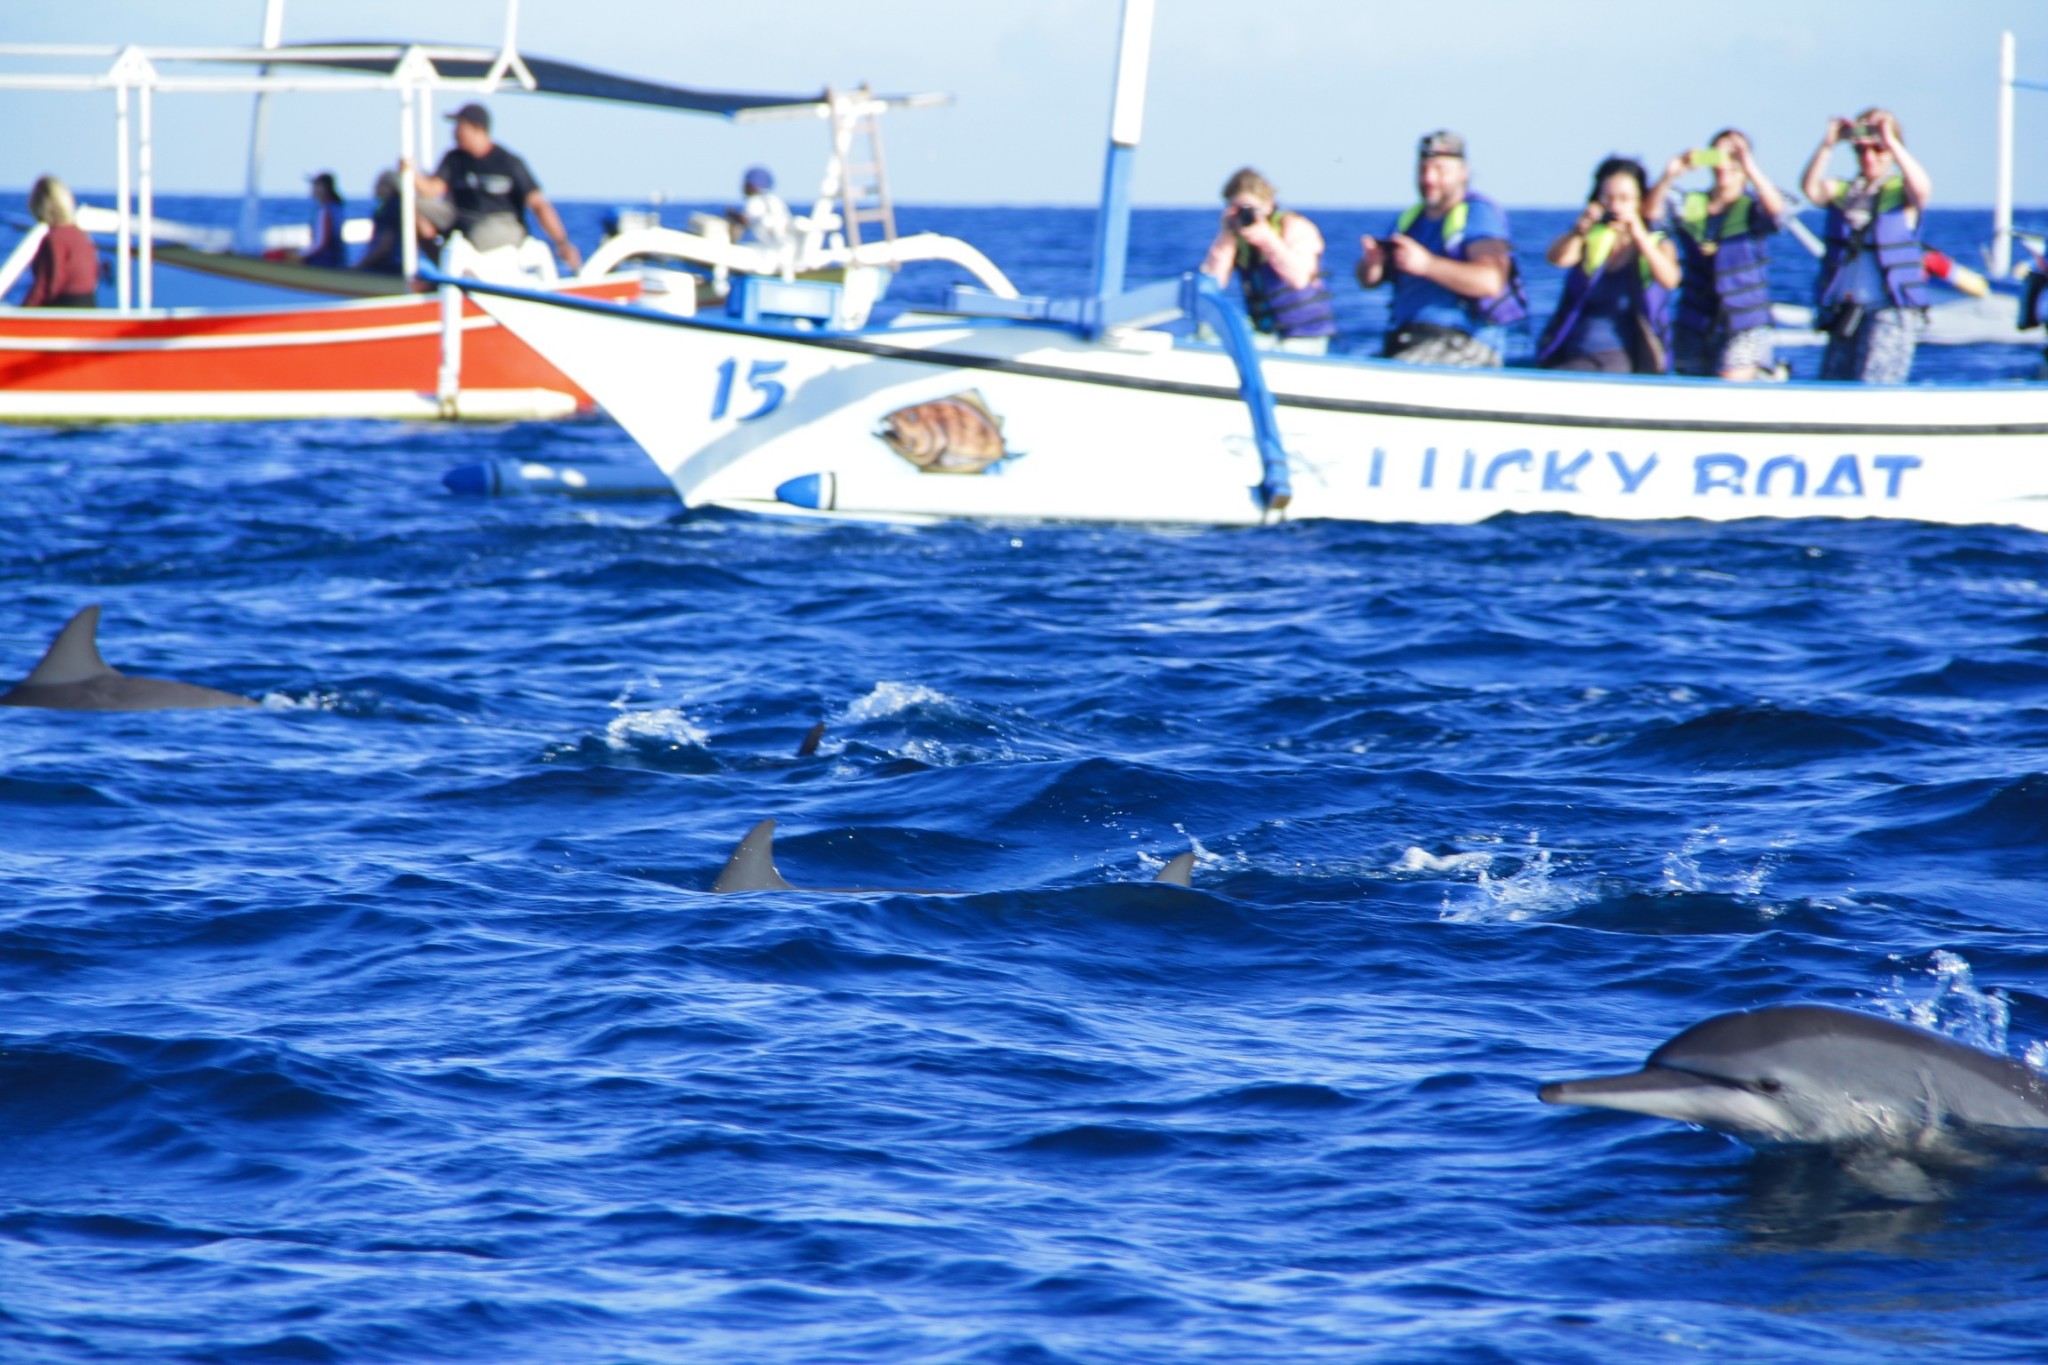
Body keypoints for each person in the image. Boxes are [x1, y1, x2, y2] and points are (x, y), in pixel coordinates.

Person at [1356, 130, 1526, 367]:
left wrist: (1427, 265)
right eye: (1423, 169)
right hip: (1407, 340)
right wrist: (1371, 266)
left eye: (1440, 170)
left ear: (1463, 173)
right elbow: (1368, 280)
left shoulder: (1478, 216)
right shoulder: (1409, 220)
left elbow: (1490, 281)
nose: (1429, 179)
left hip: (1465, 343)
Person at [1799, 107, 1931, 384]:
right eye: (1861, 150)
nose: (1869, 157)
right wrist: (1828, 145)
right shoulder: (1845, 190)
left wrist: (1892, 141)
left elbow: (1922, 189)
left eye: (1877, 149)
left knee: (1876, 384)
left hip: (1889, 309)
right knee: (1833, 385)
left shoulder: (1901, 191)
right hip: (1847, 309)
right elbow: (1811, 189)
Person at [1645, 130, 1787, 380]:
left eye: (1732, 156)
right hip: (1696, 319)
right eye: (1717, 156)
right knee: (1692, 389)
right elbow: (1650, 216)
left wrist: (1749, 167)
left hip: (1744, 322)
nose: (1724, 165)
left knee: (1728, 388)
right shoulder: (1689, 203)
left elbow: (1778, 214)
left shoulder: (1753, 207)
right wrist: (1670, 174)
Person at [1537, 157, 1681, 374]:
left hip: (1618, 357)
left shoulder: (1657, 240)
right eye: (1608, 198)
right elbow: (1557, 258)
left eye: (1624, 199)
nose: (1615, 206)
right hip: (1571, 349)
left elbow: (1671, 279)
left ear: (1640, 201)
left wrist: (1638, 234)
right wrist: (1579, 230)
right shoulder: (1592, 237)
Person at [412, 102, 582, 271]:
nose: (454, 132)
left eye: (460, 126)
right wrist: (410, 175)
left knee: (481, 236)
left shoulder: (509, 162)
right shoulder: (453, 158)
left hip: (499, 225)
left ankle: (466, 275)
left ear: (477, 129)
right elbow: (433, 189)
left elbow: (538, 204)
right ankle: (442, 271)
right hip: (460, 220)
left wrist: (562, 242)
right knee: (410, 208)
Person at [1198, 167, 1336, 354]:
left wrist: (1267, 239)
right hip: (1265, 335)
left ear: (1269, 204)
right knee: (1206, 333)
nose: (1245, 217)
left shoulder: (1294, 227)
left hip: (1305, 336)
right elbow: (1211, 283)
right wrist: (1225, 237)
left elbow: (1299, 279)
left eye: (1249, 209)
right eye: (1236, 209)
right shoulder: (1236, 238)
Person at [22, 175, 97, 308]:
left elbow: (46, 286)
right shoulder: (81, 236)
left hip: (64, 312)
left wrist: (21, 314)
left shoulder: (55, 239)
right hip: (88, 309)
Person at [727, 166, 794, 251]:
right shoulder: (775, 200)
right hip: (786, 245)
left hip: (767, 249)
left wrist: (733, 215)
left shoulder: (754, 202)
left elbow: (745, 220)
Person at [300, 171, 346, 268]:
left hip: (326, 261)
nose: (312, 189)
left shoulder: (325, 210)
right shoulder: (336, 207)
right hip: (337, 259)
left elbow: (321, 243)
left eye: (315, 185)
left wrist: (301, 256)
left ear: (323, 188)